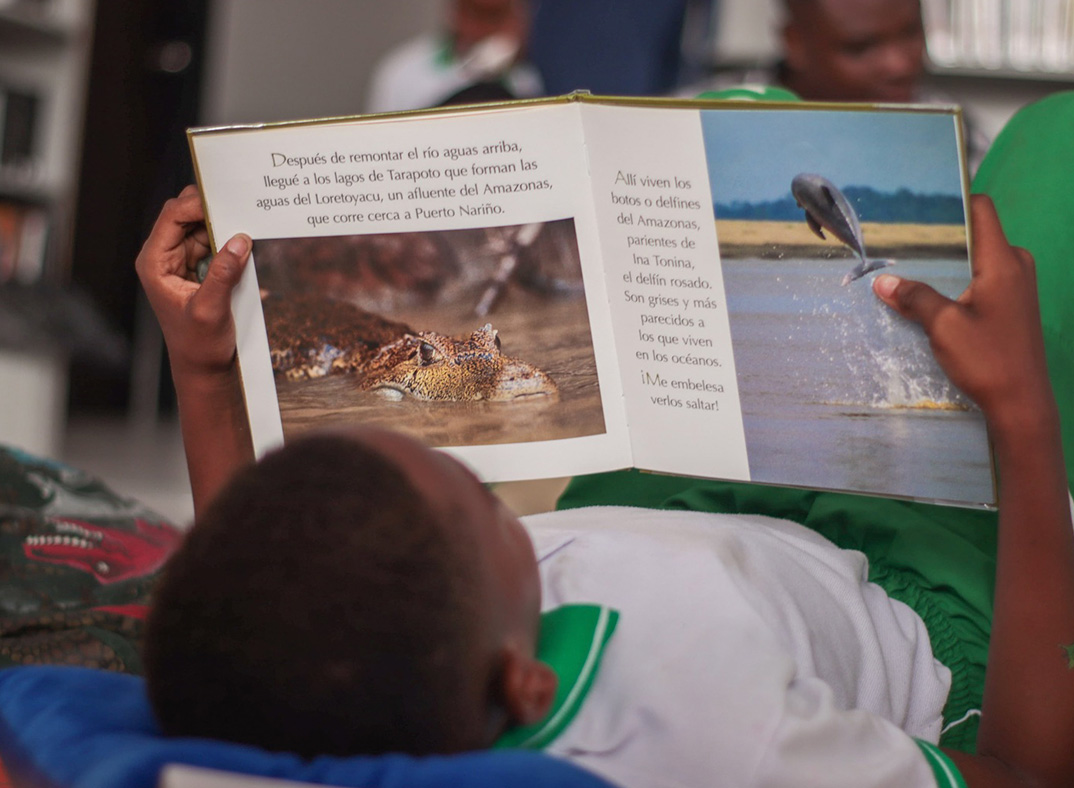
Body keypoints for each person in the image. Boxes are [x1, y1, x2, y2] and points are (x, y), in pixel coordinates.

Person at [134, 180, 1073, 786]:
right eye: (470, 496)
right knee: (1042, 181)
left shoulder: (397, 645)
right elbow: (1025, 774)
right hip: (910, 610)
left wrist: (207, 373)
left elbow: (261, 615)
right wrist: (1023, 418)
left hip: (686, 529)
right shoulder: (724, 737)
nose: (466, 472)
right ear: (528, 683)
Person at [686, 0, 990, 170]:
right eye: (861, 48)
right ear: (795, 43)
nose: (900, 64)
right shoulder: (694, 117)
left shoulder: (957, 136)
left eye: (911, 32)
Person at [365, 0, 543, 114]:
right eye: (477, 14)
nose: (481, 28)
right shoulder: (402, 70)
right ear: (456, 11)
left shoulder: (523, 79)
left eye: (495, 17)